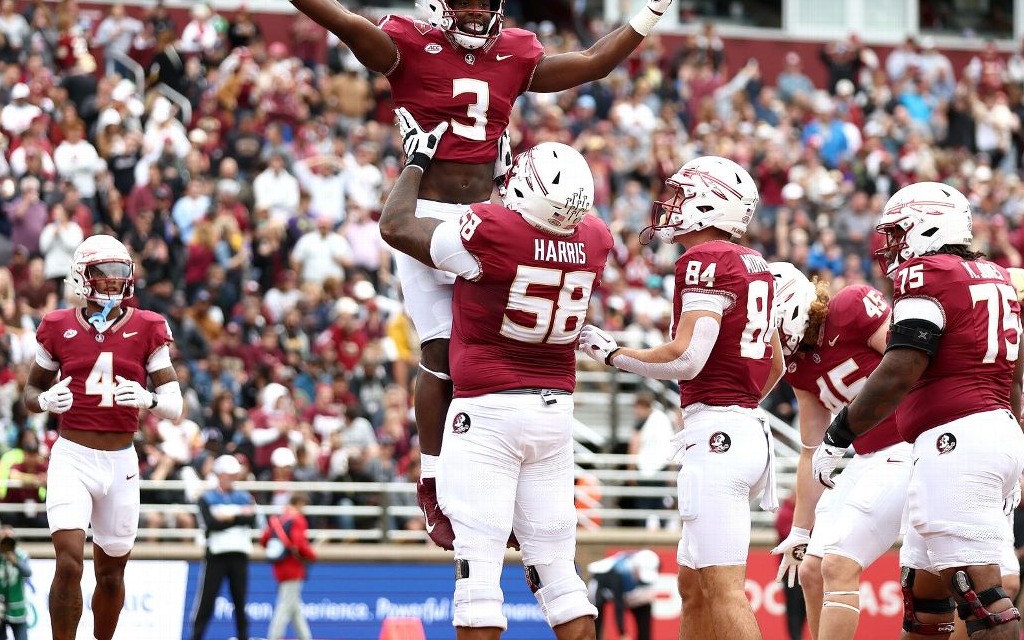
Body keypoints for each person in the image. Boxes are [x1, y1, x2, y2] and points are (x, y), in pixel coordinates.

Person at [234, 0, 694, 549]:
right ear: (437, 4)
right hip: (425, 209)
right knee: (441, 351)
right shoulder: (408, 45)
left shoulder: (515, 51)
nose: (476, 12)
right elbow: (347, 24)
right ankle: (431, 481)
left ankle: (493, 490)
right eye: (465, 1)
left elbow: (588, 65)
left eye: (485, 1)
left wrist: (648, 14)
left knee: (494, 357)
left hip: (491, 214)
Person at [379, 109, 611, 639]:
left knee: (478, 580)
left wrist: (417, 160)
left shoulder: (494, 232)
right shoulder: (595, 238)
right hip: (554, 417)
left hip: (488, 414)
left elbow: (396, 227)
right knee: (559, 577)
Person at [811, 182, 1024, 639]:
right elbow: (1016, 374)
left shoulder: (928, 274)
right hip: (989, 431)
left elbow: (900, 368)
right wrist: (1015, 451)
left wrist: (839, 433)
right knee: (924, 603)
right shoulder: (997, 276)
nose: (892, 246)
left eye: (899, 232)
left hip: (958, 440)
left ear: (929, 224)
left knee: (981, 598)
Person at [577, 156, 779, 640]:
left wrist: (613, 354)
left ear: (713, 204)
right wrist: (740, 405)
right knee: (693, 584)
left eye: (683, 195)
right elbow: (776, 365)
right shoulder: (756, 265)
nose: (672, 204)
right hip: (742, 430)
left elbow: (687, 359)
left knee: (724, 587)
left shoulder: (704, 259)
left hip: (720, 437)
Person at [22, 234, 183, 640]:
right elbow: (28, 394)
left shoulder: (148, 326)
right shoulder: (57, 325)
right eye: (103, 272)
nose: (113, 281)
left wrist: (149, 398)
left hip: (121, 459)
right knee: (70, 563)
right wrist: (44, 399)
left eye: (119, 272)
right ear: (82, 275)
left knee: (111, 574)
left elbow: (175, 403)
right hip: (72, 456)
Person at [764, 262, 909, 640]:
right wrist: (799, 527)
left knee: (837, 563)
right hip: (866, 457)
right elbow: (812, 448)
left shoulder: (851, 305)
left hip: (908, 446)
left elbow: (913, 362)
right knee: (811, 569)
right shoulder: (796, 366)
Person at [948, 266, 1024, 640]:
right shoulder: (982, 353)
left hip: (1004, 489)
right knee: (985, 589)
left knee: (999, 586)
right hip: (974, 472)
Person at [190, 454, 258, 640]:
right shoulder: (207, 498)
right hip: (216, 555)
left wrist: (227, 516)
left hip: (239, 555)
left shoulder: (244, 497)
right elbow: (211, 523)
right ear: (219, 474)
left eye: (234, 474)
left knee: (240, 601)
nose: (231, 478)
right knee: (206, 601)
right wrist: (238, 516)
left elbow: (252, 519)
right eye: (228, 474)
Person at [260, 493, 315, 640]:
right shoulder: (297, 520)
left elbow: (264, 540)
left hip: (279, 567)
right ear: (298, 504)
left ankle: (305, 637)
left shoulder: (276, 520)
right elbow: (300, 544)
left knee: (294, 606)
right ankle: (274, 636)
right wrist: (312, 555)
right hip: (293, 567)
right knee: (285, 605)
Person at [587, 550, 659, 640]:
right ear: (635, 568)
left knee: (645, 606)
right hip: (603, 588)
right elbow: (618, 606)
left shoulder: (651, 562)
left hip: (627, 590)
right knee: (596, 617)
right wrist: (622, 633)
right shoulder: (620, 572)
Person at [0, 525, 33, 640]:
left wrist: (16, 561)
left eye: (9, 538)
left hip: (17, 607)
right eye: (3, 538)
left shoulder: (21, 555)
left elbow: (28, 573)